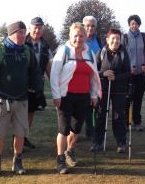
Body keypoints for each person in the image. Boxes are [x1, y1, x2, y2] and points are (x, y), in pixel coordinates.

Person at [0, 21, 43, 177]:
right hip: (2, 100)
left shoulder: (27, 51)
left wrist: (39, 90)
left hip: (22, 99)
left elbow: (35, 71)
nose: (23, 36)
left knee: (20, 133)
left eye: (24, 33)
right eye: (19, 33)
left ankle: (18, 162)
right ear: (10, 34)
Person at [50, 22, 101, 174]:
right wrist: (56, 95)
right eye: (75, 36)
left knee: (77, 128)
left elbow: (93, 76)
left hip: (83, 96)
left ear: (85, 37)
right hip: (65, 96)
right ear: (70, 36)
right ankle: (60, 160)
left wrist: (93, 95)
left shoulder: (89, 53)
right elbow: (54, 74)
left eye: (81, 36)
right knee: (64, 129)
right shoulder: (64, 51)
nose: (78, 39)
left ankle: (70, 151)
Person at [91, 29, 130, 153]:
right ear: (107, 40)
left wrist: (116, 77)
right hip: (103, 89)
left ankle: (121, 143)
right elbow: (93, 71)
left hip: (119, 90)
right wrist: (103, 73)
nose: (115, 41)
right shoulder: (101, 52)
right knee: (100, 115)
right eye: (112, 38)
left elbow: (128, 73)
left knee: (119, 116)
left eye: (118, 38)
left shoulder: (124, 53)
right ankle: (97, 142)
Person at [24, 17, 53, 149]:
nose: (37, 30)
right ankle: (17, 139)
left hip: (37, 83)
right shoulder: (22, 42)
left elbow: (48, 65)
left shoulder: (45, 45)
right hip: (22, 82)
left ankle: (24, 137)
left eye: (40, 28)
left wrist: (53, 83)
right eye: (35, 27)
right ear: (30, 28)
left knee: (30, 112)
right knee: (19, 112)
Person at [122, 15, 145, 131]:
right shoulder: (125, 37)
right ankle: (126, 122)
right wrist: (128, 68)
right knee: (128, 99)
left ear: (139, 25)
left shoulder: (143, 36)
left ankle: (137, 122)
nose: (134, 26)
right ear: (129, 24)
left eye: (136, 24)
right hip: (129, 74)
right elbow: (122, 54)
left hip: (141, 73)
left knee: (138, 99)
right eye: (132, 23)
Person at [82, 15, 103, 139]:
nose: (90, 28)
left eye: (93, 26)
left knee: (96, 104)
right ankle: (86, 130)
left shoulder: (99, 41)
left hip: (96, 77)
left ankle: (93, 130)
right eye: (87, 25)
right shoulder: (79, 39)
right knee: (85, 106)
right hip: (82, 77)